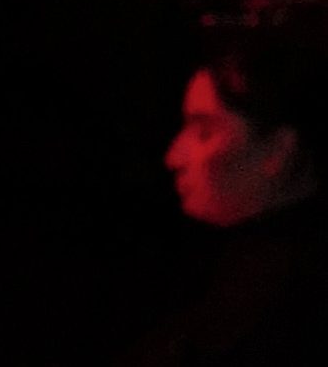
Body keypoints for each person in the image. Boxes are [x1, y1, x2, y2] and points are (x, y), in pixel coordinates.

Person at [119, 19, 328, 367]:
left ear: (279, 149)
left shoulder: (277, 302)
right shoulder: (248, 266)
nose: (174, 156)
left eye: (204, 132)